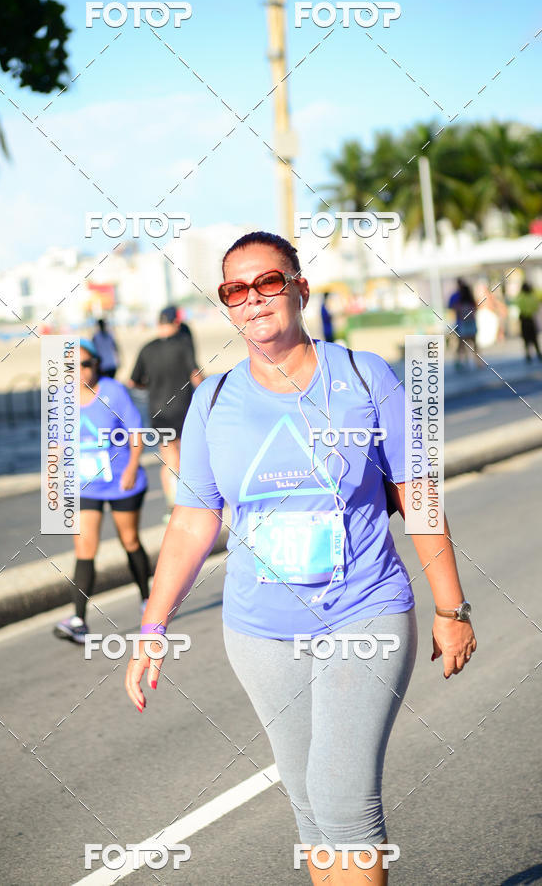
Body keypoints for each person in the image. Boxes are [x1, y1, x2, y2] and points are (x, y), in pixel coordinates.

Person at [125, 232, 477, 885]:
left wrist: (452, 607)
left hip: (362, 611)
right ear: (226, 305)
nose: (254, 299)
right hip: (259, 628)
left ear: (300, 288)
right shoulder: (213, 400)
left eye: (269, 282)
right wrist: (152, 625)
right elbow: (195, 518)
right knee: (311, 808)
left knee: (343, 799)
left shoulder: (367, 376)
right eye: (237, 289)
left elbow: (418, 494)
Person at [54, 338, 151, 644]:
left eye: (85, 364)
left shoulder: (113, 391)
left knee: (130, 540)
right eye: (72, 366)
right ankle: (79, 620)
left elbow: (136, 432)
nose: (79, 371)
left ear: (96, 364)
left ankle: (148, 601)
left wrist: (133, 468)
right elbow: (56, 445)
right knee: (85, 549)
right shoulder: (61, 398)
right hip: (86, 485)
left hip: (121, 480)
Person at [128, 307, 202, 521]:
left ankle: (172, 504)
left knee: (169, 458)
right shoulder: (183, 345)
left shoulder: (147, 349)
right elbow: (195, 375)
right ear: (175, 323)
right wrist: (209, 393)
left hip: (158, 411)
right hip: (184, 409)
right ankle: (183, 503)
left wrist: (149, 387)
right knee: (185, 457)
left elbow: (134, 381)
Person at [448, 278, 483, 368]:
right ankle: (477, 362)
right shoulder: (471, 302)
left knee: (461, 344)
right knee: (474, 344)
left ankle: (460, 361)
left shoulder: (457, 300)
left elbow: (453, 310)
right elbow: (475, 310)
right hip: (471, 324)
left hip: (462, 325)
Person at [514, 282, 542, 362]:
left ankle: (528, 355)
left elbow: (518, 305)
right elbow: (536, 307)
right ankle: (538, 353)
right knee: (534, 338)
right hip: (530, 319)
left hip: (523, 319)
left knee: (526, 339)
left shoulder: (520, 297)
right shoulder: (532, 297)